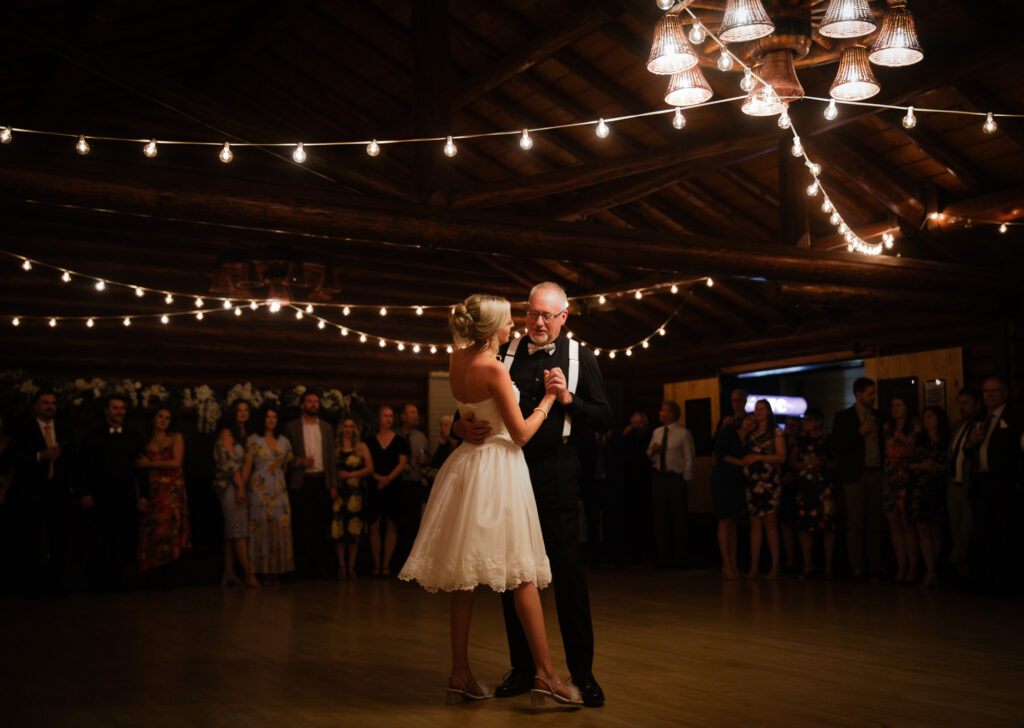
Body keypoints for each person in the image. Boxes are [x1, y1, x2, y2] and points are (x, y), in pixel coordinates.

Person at [399, 293, 580, 706]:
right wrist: (550, 401)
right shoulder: (493, 369)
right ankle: (547, 675)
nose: (512, 328)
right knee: (522, 573)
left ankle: (460, 672)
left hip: (467, 469)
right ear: (491, 328)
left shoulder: (457, 359)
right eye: (507, 322)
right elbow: (519, 434)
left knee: (466, 579)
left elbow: (467, 413)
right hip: (499, 469)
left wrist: (461, 426)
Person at [454, 282, 612, 707]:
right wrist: (458, 427)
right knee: (511, 575)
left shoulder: (581, 356)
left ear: (564, 317)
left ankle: (583, 673)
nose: (538, 323)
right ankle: (523, 670)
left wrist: (567, 398)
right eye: (532, 314)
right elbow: (469, 405)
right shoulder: (501, 353)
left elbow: (604, 416)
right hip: (507, 473)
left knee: (568, 577)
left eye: (547, 315)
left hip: (556, 475)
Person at [8, 389, 75, 595]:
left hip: (57, 493)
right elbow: (13, 458)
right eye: (45, 403)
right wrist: (40, 456)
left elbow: (73, 460)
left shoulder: (64, 430)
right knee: (30, 539)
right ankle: (29, 585)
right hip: (31, 492)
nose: (50, 407)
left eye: (53, 403)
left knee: (58, 539)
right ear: (37, 406)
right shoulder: (24, 430)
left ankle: (56, 585)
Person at [79, 395, 144, 592]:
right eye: (115, 408)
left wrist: (144, 496)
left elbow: (141, 468)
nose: (119, 412)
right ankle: (97, 583)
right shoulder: (92, 436)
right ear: (106, 410)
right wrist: (84, 492)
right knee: (99, 538)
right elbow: (84, 468)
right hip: (100, 495)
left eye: (122, 408)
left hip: (124, 496)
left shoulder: (134, 437)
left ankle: (117, 582)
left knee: (121, 539)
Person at [966, 376, 1023, 596]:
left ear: (1005, 394)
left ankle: (1007, 582)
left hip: (1004, 485)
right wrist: (971, 443)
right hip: (981, 484)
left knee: (1005, 533)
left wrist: (1018, 481)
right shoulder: (980, 419)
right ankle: (985, 580)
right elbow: (971, 451)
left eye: (994, 391)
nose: (989, 395)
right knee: (983, 532)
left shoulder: (1015, 418)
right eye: (985, 391)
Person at [832, 377, 884, 579]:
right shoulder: (844, 417)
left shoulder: (878, 416)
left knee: (875, 522)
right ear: (859, 394)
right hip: (855, 474)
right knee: (855, 523)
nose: (873, 397)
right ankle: (856, 568)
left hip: (876, 472)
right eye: (870, 393)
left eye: (874, 394)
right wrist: (859, 432)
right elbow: (837, 445)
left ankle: (875, 567)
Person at [284, 392, 338, 580]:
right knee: (302, 526)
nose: (313, 404)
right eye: (310, 401)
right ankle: (302, 570)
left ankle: (321, 569)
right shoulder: (291, 427)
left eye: (316, 401)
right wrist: (300, 461)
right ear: (302, 405)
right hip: (302, 481)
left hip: (321, 480)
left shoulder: (326, 427)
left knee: (322, 526)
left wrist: (332, 484)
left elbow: (331, 457)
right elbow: (284, 455)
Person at [136, 407, 190, 584]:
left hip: (170, 491)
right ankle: (153, 573)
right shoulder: (146, 440)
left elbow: (176, 462)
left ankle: (168, 574)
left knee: (169, 530)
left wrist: (150, 463)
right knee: (153, 530)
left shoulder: (175, 438)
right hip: (152, 490)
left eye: (167, 418)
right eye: (160, 416)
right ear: (153, 419)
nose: (163, 420)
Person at [242, 406, 294, 584]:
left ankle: (277, 570)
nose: (271, 420)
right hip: (259, 488)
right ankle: (261, 570)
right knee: (260, 528)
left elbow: (284, 469)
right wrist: (241, 487)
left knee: (280, 528)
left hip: (278, 489)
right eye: (268, 417)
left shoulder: (285, 442)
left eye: (274, 417)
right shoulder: (253, 440)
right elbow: (247, 467)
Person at [213, 400, 258, 587]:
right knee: (239, 529)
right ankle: (249, 573)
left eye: (246, 410)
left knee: (231, 531)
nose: (243, 413)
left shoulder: (247, 435)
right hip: (229, 484)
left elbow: (247, 462)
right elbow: (230, 464)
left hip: (241, 482)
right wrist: (240, 487)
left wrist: (244, 484)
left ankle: (229, 573)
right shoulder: (227, 433)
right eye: (239, 410)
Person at [789, 408, 838, 579]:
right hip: (806, 487)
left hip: (824, 488)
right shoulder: (800, 441)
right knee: (805, 525)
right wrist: (806, 466)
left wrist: (822, 464)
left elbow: (836, 462)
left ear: (819, 422)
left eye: (810, 419)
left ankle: (829, 567)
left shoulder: (828, 441)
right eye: (805, 419)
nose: (807, 422)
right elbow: (793, 461)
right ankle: (807, 564)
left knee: (827, 526)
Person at [646, 400, 695, 569]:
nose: (660, 413)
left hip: (675, 478)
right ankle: (663, 559)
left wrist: (685, 479)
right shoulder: (657, 432)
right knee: (660, 518)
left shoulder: (683, 433)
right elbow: (649, 454)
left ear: (672, 414)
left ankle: (680, 558)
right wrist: (654, 450)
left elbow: (689, 457)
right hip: (659, 476)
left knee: (678, 519)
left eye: (663, 410)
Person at [743, 399, 787, 579]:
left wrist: (758, 458)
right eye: (756, 409)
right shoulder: (750, 433)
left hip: (770, 482)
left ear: (768, 411)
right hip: (753, 483)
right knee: (754, 523)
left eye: (762, 409)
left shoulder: (775, 432)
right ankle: (754, 566)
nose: (758, 412)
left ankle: (774, 566)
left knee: (770, 522)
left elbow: (781, 457)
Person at [909, 406, 949, 590]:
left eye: (930, 417)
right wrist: (923, 466)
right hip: (920, 488)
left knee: (936, 529)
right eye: (924, 417)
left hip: (938, 488)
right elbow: (908, 462)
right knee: (923, 529)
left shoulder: (946, 441)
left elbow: (949, 465)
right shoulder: (919, 441)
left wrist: (935, 467)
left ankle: (937, 570)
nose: (927, 420)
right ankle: (930, 570)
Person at [711, 412, 755, 580]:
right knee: (724, 520)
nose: (750, 423)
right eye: (749, 419)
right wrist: (741, 462)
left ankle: (733, 563)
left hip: (738, 481)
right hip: (723, 479)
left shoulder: (750, 440)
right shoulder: (728, 432)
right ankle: (727, 563)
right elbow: (720, 453)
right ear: (742, 419)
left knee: (733, 521)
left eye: (754, 421)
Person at [366, 406, 409, 576]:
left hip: (394, 485)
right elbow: (366, 463)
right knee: (374, 525)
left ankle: (386, 565)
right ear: (379, 419)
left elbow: (402, 463)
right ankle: (376, 564)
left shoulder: (400, 441)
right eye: (385, 416)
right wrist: (378, 478)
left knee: (392, 524)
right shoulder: (369, 441)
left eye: (391, 416)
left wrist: (387, 479)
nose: (388, 419)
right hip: (374, 485)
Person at [882, 395, 919, 584]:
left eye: (899, 404)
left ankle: (913, 566)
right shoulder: (887, 428)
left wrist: (902, 439)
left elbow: (916, 450)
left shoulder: (915, 426)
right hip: (890, 477)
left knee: (906, 523)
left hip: (905, 476)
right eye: (892, 405)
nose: (895, 409)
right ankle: (901, 564)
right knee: (893, 523)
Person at [332, 417, 373, 579]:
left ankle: (352, 565)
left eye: (351, 426)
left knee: (354, 529)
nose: (348, 429)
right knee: (339, 528)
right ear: (341, 429)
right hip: (339, 493)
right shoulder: (335, 446)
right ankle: (342, 565)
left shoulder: (361, 447)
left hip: (355, 492)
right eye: (346, 426)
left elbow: (370, 468)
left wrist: (351, 474)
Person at [946, 388, 981, 581]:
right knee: (956, 529)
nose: (962, 407)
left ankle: (955, 561)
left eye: (966, 403)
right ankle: (962, 575)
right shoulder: (957, 426)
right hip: (953, 483)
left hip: (969, 485)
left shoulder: (981, 425)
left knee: (967, 531)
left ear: (977, 404)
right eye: (960, 403)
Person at [396, 403, 430, 566]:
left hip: (415, 484)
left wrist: (425, 461)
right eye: (412, 413)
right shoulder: (395, 436)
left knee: (414, 524)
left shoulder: (421, 437)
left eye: (417, 413)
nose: (415, 416)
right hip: (398, 484)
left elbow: (427, 460)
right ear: (403, 416)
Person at [620, 411, 653, 564]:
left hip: (647, 483)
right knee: (631, 519)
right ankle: (633, 553)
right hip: (630, 484)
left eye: (639, 423)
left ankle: (647, 552)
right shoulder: (628, 438)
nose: (636, 426)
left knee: (647, 518)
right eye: (634, 423)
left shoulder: (650, 437)